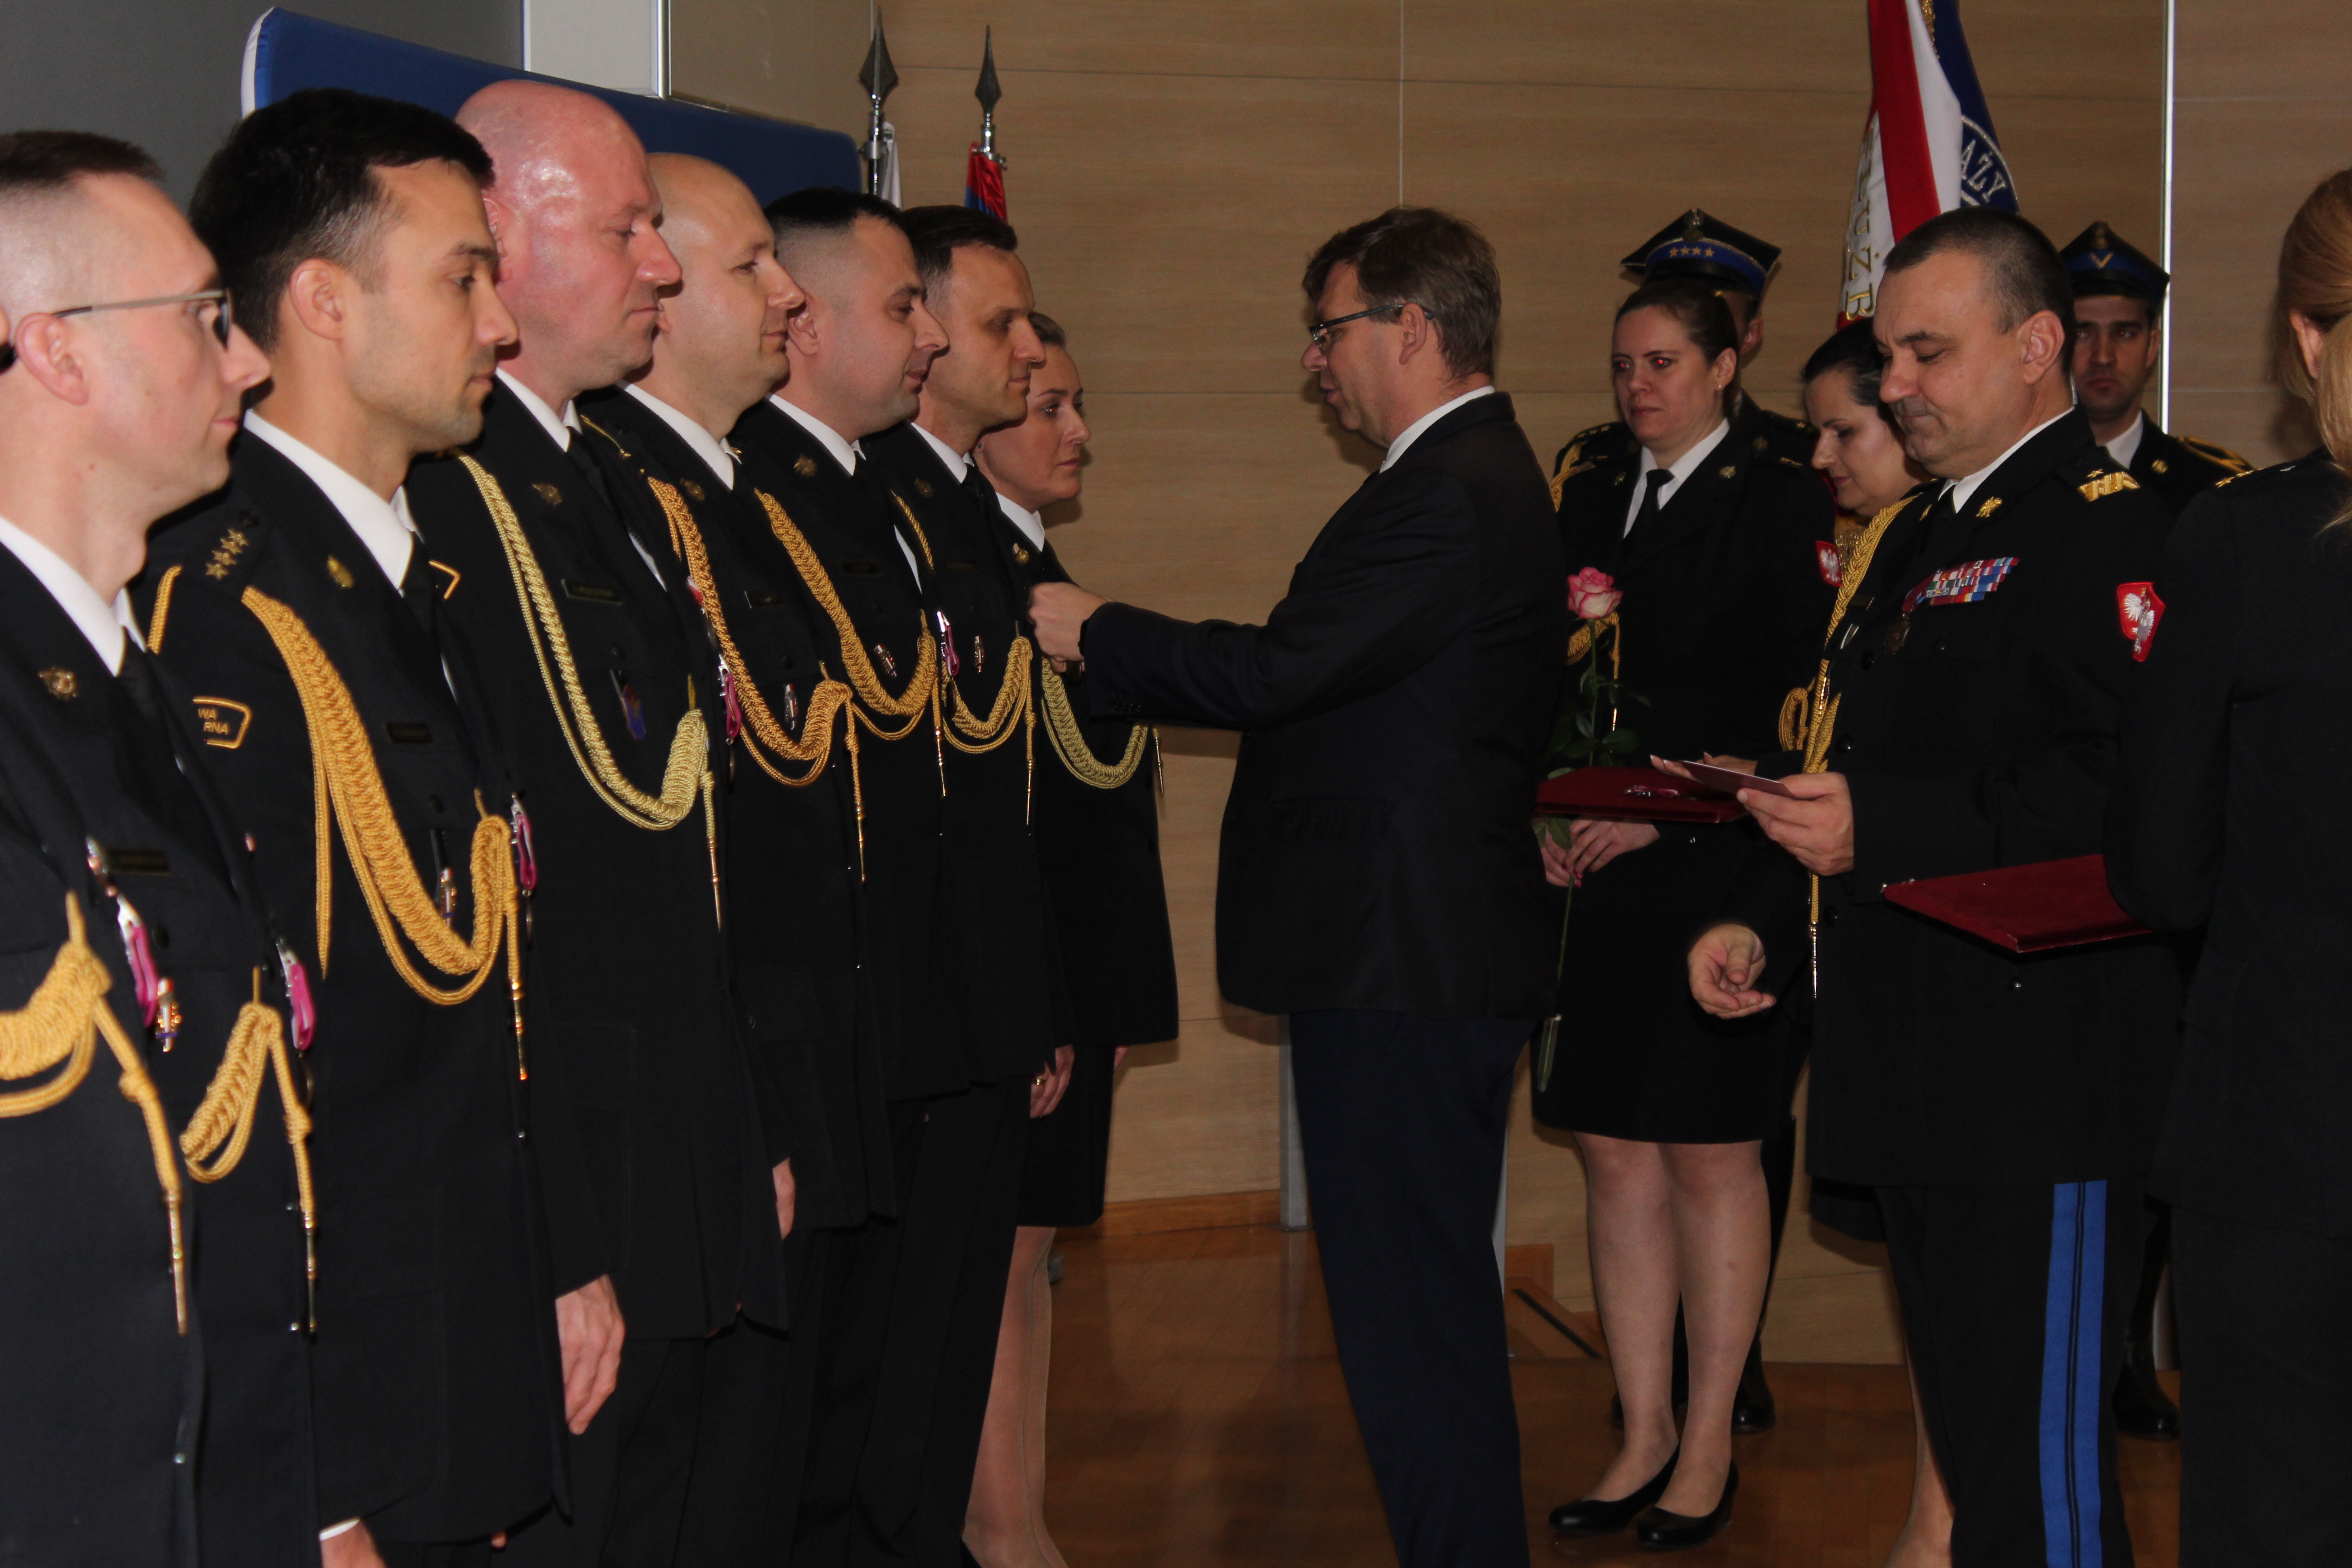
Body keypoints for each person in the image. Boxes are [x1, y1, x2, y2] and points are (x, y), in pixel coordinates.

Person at [1029, 206, 1562, 1568]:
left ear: (1410, 327)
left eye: (1328, 332)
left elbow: (1279, 672)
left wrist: (1099, 632)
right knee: (1417, 1318)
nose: (1314, 363)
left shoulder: (1449, 488)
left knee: (1411, 1326)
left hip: (1405, 963)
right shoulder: (1461, 477)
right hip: (1411, 954)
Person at [1687, 206, 2180, 1568]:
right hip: (1918, 1058)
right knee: (1977, 1452)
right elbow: (1860, 771)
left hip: (2042, 1081)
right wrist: (1766, 926)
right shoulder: (1914, 536)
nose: (1893, 380)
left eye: (1925, 351)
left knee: (2044, 1489)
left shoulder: (2112, 535)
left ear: (2035, 347)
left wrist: (1878, 826)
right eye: (1888, 352)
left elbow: (2123, 804)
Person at [145, 90, 562, 1565]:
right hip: (352, 1390)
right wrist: (318, 1479)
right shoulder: (223, 605)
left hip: (454, 1340)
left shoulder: (400, 570)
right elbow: (242, 1080)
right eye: (464, 277)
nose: (502, 325)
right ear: (324, 301)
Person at [402, 81, 774, 1566]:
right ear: (506, 231)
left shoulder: (600, 474)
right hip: (569, 1126)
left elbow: (680, 826)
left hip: (665, 1113)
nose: (661, 267)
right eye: (627, 231)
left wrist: (737, 1123)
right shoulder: (449, 496)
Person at [568, 153, 886, 1564]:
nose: (785, 297)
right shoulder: (627, 494)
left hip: (790, 1036)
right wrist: (743, 1101)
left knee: (779, 1457)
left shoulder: (721, 494)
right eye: (751, 265)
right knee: (702, 1481)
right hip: (710, 1061)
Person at [0, 126, 295, 1566]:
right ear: (55, 350)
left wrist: (316, 1495)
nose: (249, 361)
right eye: (203, 316)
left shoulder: (127, 667)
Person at [1537, 277, 1833, 1552]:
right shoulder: (1593, 488)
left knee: (1712, 1153)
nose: (1636, 386)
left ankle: (1709, 1438)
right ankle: (1642, 1429)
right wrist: (1548, 815)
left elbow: (1799, 707)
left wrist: (1671, 808)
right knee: (1612, 1148)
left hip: (1724, 865)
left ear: (1724, 368)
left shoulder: (1782, 494)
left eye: (1662, 363)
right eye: (1623, 365)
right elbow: (1550, 674)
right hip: (1600, 871)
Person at [2105, 166, 2352, 1568]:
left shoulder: (2243, 539)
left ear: (2304, 336)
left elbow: (2161, 872)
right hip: (2282, 1136)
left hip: (2283, 1135)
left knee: (2275, 1520)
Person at [725, 185, 967, 1567]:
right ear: (807, 325)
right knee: (806, 1412)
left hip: (888, 994)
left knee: (879, 1373)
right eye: (903, 306)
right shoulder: (759, 494)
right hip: (816, 1007)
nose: (929, 337)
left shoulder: (871, 493)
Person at [967, 310, 1179, 1568]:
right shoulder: (976, 573)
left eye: (1077, 403)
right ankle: (1003, 1530)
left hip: (1070, 985)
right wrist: (1044, 998)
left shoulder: (1031, 566)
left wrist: (1105, 1001)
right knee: (1002, 1265)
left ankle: (1015, 1517)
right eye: (1048, 405)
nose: (1078, 432)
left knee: (1030, 1257)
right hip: (1030, 986)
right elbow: (1000, 821)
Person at [1800, 318, 1957, 1568]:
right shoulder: (1888, 547)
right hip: (1863, 937)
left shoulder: (1947, 547)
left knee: (1962, 1285)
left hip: (1946, 954)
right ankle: (1934, 1510)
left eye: (1844, 429)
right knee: (1924, 1271)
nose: (1822, 456)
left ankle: (1943, 1517)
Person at [1553, 209, 1814, 494]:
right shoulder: (1594, 462)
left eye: (1661, 361)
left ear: (1749, 337)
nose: (1636, 383)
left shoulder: (1800, 460)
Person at [2060, 221, 2248, 516]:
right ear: (2054, 345)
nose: (2103, 357)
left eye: (2124, 334)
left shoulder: (2214, 486)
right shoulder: (2021, 481)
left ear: (2152, 347)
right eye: (2083, 333)